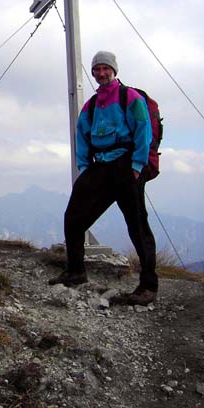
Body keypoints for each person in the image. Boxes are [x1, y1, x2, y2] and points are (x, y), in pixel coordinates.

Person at [49, 51, 158, 306]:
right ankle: (76, 271)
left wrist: (137, 165)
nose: (100, 73)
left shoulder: (129, 97)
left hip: (126, 166)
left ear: (114, 70)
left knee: (138, 226)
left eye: (105, 68)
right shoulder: (92, 105)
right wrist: (85, 166)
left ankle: (148, 286)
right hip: (100, 166)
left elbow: (143, 129)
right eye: (96, 69)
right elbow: (82, 133)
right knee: (74, 217)